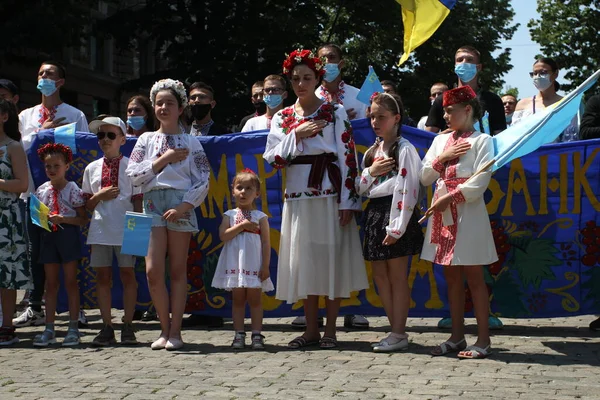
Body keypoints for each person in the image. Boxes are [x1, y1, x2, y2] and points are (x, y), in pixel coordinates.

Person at [263, 48, 368, 349]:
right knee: (306, 263)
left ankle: (331, 331)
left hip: (329, 196)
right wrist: (297, 135)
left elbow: (349, 158)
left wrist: (348, 201)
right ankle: (311, 330)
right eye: (295, 78)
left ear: (317, 77)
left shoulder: (333, 112)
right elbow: (273, 158)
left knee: (330, 261)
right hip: (297, 197)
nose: (300, 83)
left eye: (307, 77)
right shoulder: (283, 117)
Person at [126, 79, 210, 350]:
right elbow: (134, 176)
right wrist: (164, 159)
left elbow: (203, 178)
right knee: (152, 271)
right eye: (159, 103)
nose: (163, 107)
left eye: (169, 103)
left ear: (181, 107)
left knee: (177, 270)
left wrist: (186, 206)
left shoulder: (191, 142)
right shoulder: (146, 139)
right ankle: (163, 329)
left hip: (179, 204)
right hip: (151, 204)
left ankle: (176, 332)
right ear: (153, 107)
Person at [421, 86, 497, 359]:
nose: (445, 115)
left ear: (467, 109)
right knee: (451, 277)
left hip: (468, 213)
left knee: (475, 277)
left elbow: (480, 180)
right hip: (443, 213)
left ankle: (484, 340)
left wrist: (452, 197)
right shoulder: (439, 142)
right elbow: (425, 176)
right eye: (443, 110)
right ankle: (456, 337)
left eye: (450, 110)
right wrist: (443, 158)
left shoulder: (483, 140)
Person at [14, 61, 90, 329]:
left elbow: (83, 149)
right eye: (40, 74)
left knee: (68, 253)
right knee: (37, 251)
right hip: (34, 195)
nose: (44, 77)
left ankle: (75, 308)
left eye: (50, 74)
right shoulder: (26, 115)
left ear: (61, 82)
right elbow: (18, 149)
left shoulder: (75, 114)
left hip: (66, 198)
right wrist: (40, 132)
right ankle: (34, 305)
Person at [356, 92, 423, 352]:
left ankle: (398, 331)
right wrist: (370, 172)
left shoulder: (404, 148)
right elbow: (360, 188)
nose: (375, 121)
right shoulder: (373, 151)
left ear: (396, 118)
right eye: (372, 116)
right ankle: (394, 329)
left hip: (395, 213)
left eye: (381, 117)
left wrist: (397, 226)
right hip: (375, 212)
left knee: (397, 276)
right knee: (380, 276)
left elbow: (408, 188)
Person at [83, 116, 142, 346]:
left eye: (110, 135)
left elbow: (138, 201)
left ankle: (128, 324)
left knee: (128, 275)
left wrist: (138, 235)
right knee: (103, 277)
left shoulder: (132, 167)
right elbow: (87, 204)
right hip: (99, 229)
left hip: (128, 226)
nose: (105, 140)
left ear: (122, 139)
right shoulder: (91, 168)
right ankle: (107, 326)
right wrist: (99, 196)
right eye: (101, 135)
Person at [32, 143, 87, 347]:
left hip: (67, 236)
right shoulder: (41, 190)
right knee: (51, 283)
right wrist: (43, 219)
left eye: (56, 165)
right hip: (48, 237)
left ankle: (73, 327)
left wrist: (63, 219)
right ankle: (49, 328)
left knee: (71, 282)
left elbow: (82, 219)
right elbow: (37, 216)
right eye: (48, 167)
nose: (52, 170)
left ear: (67, 166)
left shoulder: (73, 189)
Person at [211, 169, 273, 350]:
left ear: (257, 193)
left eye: (248, 188)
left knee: (255, 299)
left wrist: (266, 266)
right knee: (237, 299)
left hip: (253, 264)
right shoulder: (229, 215)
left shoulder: (261, 217)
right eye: (239, 188)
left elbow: (266, 243)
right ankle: (238, 333)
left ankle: (256, 334)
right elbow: (223, 236)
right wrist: (242, 225)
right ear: (233, 191)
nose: (243, 192)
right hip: (235, 264)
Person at [0, 99, 32, 345]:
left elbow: (22, 184)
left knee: (6, 273)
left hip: (6, 218)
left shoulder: (13, 147)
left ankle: (7, 326)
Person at [425, 46, 505, 136]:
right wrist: (445, 136)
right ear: (455, 66)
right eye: (460, 60)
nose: (464, 63)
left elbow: (501, 137)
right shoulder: (442, 99)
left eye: (469, 60)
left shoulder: (493, 100)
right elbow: (426, 137)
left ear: (478, 67)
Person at [512, 58, 579, 142]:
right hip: (529, 154)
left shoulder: (567, 104)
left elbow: (570, 139)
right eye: (534, 73)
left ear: (555, 74)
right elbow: (514, 136)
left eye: (543, 72)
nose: (537, 77)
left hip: (556, 153)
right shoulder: (523, 104)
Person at [316, 43, 367, 121]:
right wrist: (339, 119)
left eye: (332, 57)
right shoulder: (312, 98)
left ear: (341, 64)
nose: (326, 62)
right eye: (322, 59)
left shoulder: (359, 96)